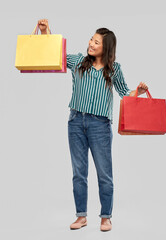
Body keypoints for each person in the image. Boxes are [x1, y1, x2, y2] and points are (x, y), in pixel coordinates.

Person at [38, 19, 148, 231]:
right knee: (79, 172)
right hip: (76, 122)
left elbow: (125, 93)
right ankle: (81, 216)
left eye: (96, 42)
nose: (91, 43)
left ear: (106, 47)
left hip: (100, 125)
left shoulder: (114, 69)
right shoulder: (79, 61)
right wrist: (46, 32)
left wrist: (139, 92)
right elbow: (55, 55)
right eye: (91, 39)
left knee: (104, 173)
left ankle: (106, 217)